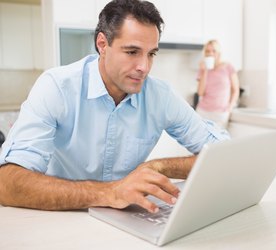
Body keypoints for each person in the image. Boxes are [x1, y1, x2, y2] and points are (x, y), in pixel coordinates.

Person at [0, 0, 229, 213]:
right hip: (61, 216)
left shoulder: (160, 96)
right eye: (132, 52)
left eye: (151, 54)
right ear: (102, 44)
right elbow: (7, 183)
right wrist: (110, 192)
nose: (144, 67)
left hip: (126, 219)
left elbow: (224, 153)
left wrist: (158, 167)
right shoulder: (56, 88)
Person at [195, 40, 240, 128]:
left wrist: (229, 108)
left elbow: (235, 90)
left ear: (219, 53)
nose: (210, 53)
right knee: (199, 141)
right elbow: (200, 92)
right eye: (207, 51)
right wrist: (204, 71)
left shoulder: (228, 67)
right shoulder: (203, 69)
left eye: (214, 51)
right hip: (202, 112)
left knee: (219, 141)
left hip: (221, 114)